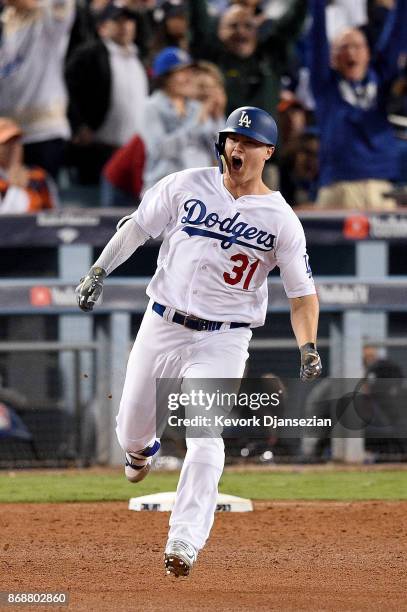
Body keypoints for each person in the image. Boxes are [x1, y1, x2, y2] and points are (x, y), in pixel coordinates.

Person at [75, 106, 321, 577]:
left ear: (267, 152)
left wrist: (307, 345)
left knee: (205, 438)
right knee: (131, 431)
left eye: (249, 143)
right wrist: (99, 269)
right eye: (232, 139)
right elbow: (138, 228)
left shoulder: (281, 219)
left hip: (223, 339)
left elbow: (302, 296)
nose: (237, 148)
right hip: (162, 322)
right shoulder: (186, 184)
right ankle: (140, 451)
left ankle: (183, 542)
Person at [309, 0, 407, 210]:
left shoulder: (381, 81)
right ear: (333, 58)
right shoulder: (326, 87)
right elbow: (317, 39)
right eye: (343, 47)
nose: (351, 52)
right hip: (338, 186)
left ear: (368, 53)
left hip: (382, 186)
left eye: (357, 46)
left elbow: (397, 33)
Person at [65, 0, 148, 184]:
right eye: (117, 21)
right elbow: (68, 89)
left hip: (133, 151)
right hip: (98, 148)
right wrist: (78, 125)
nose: (124, 26)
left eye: (128, 21)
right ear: (102, 28)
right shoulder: (89, 54)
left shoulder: (138, 57)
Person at [0, 0, 75, 180]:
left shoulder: (48, 17)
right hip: (7, 134)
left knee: (42, 200)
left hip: (44, 131)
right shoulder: (6, 20)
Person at [141, 47, 224, 191]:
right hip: (163, 189)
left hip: (197, 189)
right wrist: (196, 123)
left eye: (189, 72)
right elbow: (159, 149)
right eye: (181, 72)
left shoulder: (195, 107)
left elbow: (219, 151)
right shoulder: (152, 107)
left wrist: (217, 117)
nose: (188, 78)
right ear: (165, 77)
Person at [0, 118, 57, 213]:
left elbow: (54, 215)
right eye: (6, 143)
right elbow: (5, 222)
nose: (13, 147)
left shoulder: (38, 176)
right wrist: (15, 188)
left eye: (16, 141)